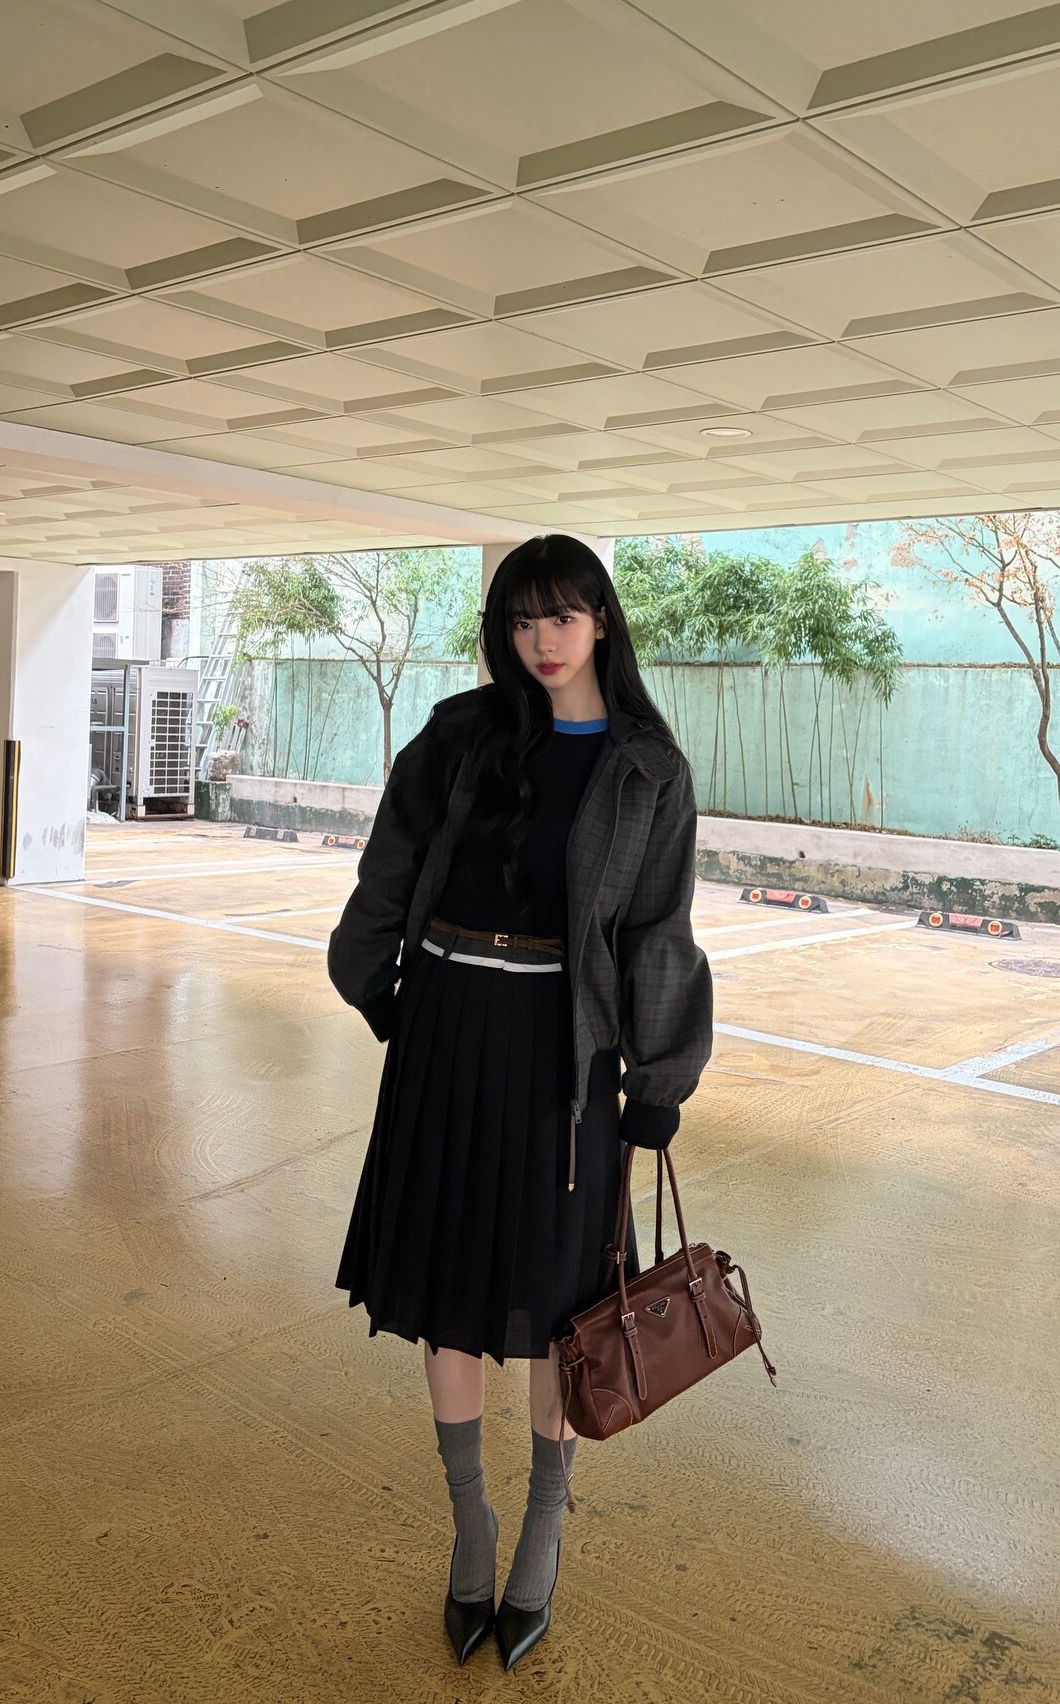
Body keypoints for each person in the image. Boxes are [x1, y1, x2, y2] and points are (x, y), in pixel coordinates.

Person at [326, 534, 713, 1670]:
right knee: (449, 1288)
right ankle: (471, 1523)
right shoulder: (461, 734)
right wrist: (379, 985)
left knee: (560, 1304)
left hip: (565, 1056)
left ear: (601, 621)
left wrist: (658, 1080)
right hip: (445, 1032)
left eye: (562, 617)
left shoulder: (647, 768)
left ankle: (544, 1517)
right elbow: (390, 869)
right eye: (521, 620)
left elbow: (660, 930)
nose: (542, 640)